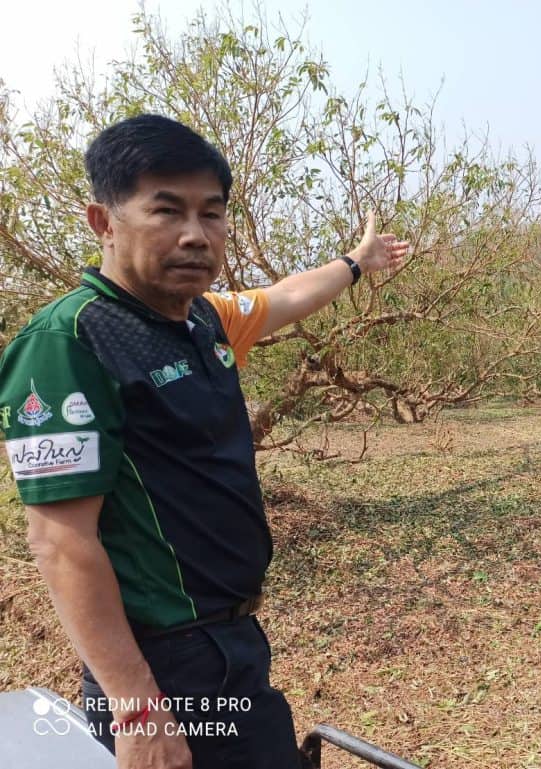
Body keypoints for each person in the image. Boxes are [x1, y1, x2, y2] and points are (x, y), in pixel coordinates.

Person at [0, 114, 409, 768]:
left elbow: (283, 298)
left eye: (212, 213)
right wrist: (137, 707)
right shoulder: (71, 341)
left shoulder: (202, 320)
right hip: (161, 667)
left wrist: (357, 263)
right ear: (102, 221)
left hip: (235, 642)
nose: (196, 234)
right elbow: (59, 541)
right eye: (167, 210)